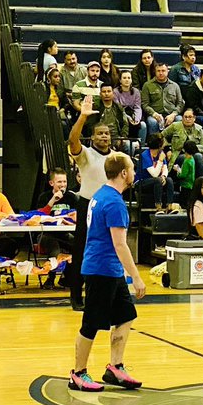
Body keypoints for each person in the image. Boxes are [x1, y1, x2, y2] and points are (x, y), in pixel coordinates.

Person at [68, 154, 146, 393]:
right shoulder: (113, 203)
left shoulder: (100, 195)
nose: (133, 172)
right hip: (101, 270)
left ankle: (115, 367)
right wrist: (137, 277)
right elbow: (120, 244)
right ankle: (78, 373)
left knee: (125, 316)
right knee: (91, 323)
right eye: (131, 168)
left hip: (110, 271)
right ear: (124, 173)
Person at [67, 95, 125, 311]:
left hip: (108, 208)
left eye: (107, 134)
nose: (104, 137)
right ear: (92, 137)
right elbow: (73, 140)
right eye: (100, 133)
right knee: (82, 250)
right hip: (87, 205)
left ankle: (107, 293)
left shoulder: (117, 158)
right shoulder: (86, 155)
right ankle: (76, 295)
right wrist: (82, 116)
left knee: (111, 248)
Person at [140, 62, 184, 136]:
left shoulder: (175, 86)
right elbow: (144, 104)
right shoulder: (147, 85)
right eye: (158, 71)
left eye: (163, 71)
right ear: (155, 72)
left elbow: (180, 103)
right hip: (154, 115)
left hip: (171, 114)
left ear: (167, 72)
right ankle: (155, 145)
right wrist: (153, 113)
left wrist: (173, 114)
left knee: (179, 120)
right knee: (152, 122)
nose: (161, 73)